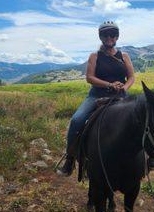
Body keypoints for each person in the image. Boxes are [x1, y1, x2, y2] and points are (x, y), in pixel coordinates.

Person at [57, 20, 135, 176]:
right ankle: (70, 159)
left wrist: (124, 88)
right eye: (106, 34)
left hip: (120, 94)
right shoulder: (95, 56)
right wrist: (109, 85)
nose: (109, 37)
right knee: (77, 120)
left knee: (141, 115)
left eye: (112, 34)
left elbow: (131, 77)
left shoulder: (124, 56)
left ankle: (149, 157)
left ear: (117, 37)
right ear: (101, 37)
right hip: (97, 95)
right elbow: (89, 78)